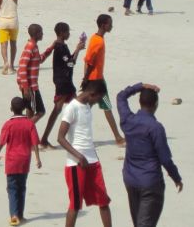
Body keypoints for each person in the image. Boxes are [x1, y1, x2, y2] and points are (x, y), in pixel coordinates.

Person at [117, 82, 183, 227]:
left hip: (130, 180)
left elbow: (121, 96)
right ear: (156, 104)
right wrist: (176, 177)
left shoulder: (128, 120)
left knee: (139, 223)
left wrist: (141, 86)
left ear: (140, 102)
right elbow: (165, 159)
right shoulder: (155, 128)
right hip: (150, 182)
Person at [57, 79, 113, 227]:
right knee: (75, 204)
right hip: (76, 164)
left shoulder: (87, 106)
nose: (98, 102)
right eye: (98, 99)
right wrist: (79, 156)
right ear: (92, 94)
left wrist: (93, 155)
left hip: (93, 161)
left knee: (104, 201)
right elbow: (60, 138)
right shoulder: (71, 108)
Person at [0, 97, 42, 226]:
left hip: (11, 161)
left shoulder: (8, 124)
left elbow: (2, 141)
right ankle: (20, 214)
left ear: (11, 109)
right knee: (22, 187)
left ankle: (14, 215)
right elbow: (35, 142)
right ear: (24, 109)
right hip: (25, 160)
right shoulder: (29, 123)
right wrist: (38, 158)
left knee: (12, 188)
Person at [41, 22, 85, 148]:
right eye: (67, 32)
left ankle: (74, 137)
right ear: (61, 33)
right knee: (58, 110)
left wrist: (77, 50)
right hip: (63, 82)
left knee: (75, 108)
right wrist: (77, 50)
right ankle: (45, 139)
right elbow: (70, 63)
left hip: (66, 82)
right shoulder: (60, 47)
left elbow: (69, 61)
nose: (69, 34)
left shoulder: (61, 46)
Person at [83, 14, 126, 145]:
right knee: (106, 107)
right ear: (103, 25)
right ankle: (118, 138)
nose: (111, 26)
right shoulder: (98, 41)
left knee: (85, 108)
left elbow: (87, 61)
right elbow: (90, 62)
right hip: (97, 82)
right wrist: (86, 79)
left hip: (94, 79)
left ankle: (80, 136)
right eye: (109, 23)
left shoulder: (95, 38)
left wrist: (86, 78)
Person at [17, 24, 49, 124]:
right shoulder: (30, 47)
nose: (42, 34)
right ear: (36, 34)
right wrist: (26, 88)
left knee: (30, 110)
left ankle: (27, 134)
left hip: (30, 85)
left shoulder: (34, 46)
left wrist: (50, 49)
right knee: (40, 111)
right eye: (41, 32)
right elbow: (22, 67)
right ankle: (26, 130)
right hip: (30, 86)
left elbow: (39, 59)